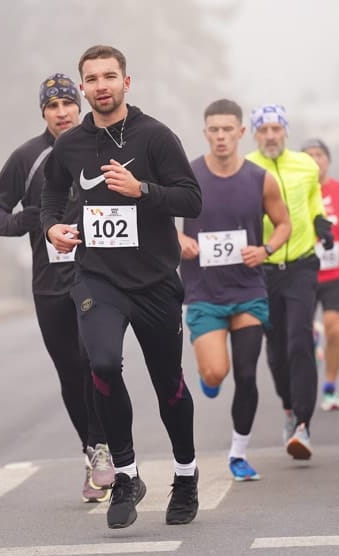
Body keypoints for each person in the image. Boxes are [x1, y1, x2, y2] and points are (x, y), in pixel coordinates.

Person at [41, 45, 202, 529]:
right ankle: (127, 475)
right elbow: (52, 192)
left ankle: (186, 473)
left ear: (126, 82)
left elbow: (192, 199)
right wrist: (52, 227)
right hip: (98, 279)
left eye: (110, 76)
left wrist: (143, 191)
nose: (101, 85)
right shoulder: (69, 145)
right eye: (92, 79)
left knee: (167, 383)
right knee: (104, 363)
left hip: (154, 280)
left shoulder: (155, 137)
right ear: (84, 87)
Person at [0, 73, 114, 503]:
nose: (61, 113)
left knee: (97, 362)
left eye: (67, 105)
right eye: (52, 107)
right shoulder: (27, 157)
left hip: (98, 277)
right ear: (44, 112)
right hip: (49, 284)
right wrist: (30, 219)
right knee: (71, 373)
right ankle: (93, 449)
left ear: (79, 106)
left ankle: (107, 448)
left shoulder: (102, 145)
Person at [178, 99, 290, 481]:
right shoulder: (187, 175)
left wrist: (267, 250)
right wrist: (178, 238)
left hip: (248, 290)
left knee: (246, 373)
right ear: (205, 132)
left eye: (228, 129)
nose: (221, 136)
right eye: (214, 130)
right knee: (216, 373)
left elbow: (283, 224)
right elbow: (156, 218)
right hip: (203, 293)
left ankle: (239, 452)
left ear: (242, 132)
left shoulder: (261, 179)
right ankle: (208, 379)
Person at [245, 105, 333, 461]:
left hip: (301, 264)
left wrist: (321, 222)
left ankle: (303, 424)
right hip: (261, 269)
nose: (270, 136)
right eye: (263, 130)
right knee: (276, 347)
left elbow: (313, 201)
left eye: (275, 129)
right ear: (254, 135)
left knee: (300, 339)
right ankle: (288, 409)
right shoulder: (247, 168)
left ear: (285, 132)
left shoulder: (306, 165)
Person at [301, 138, 339, 412]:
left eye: (320, 155)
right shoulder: (293, 189)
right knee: (297, 334)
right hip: (301, 271)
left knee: (335, 328)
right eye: (309, 155)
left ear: (328, 160)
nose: (315, 160)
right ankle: (311, 339)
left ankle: (329, 387)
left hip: (334, 271)